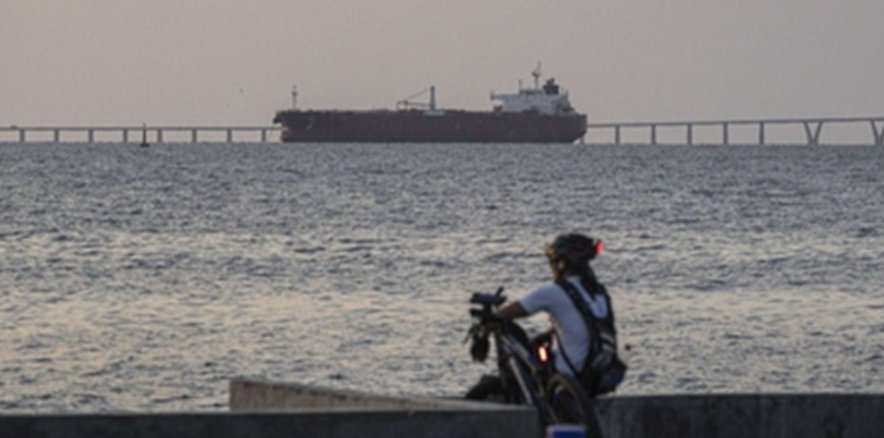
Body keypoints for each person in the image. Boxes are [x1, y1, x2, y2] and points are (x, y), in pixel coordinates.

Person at [494, 233, 613, 380]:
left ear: (560, 263)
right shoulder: (598, 291)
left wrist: (492, 315)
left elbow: (516, 310)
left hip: (569, 372)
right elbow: (582, 324)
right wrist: (550, 333)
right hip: (598, 373)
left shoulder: (554, 291)